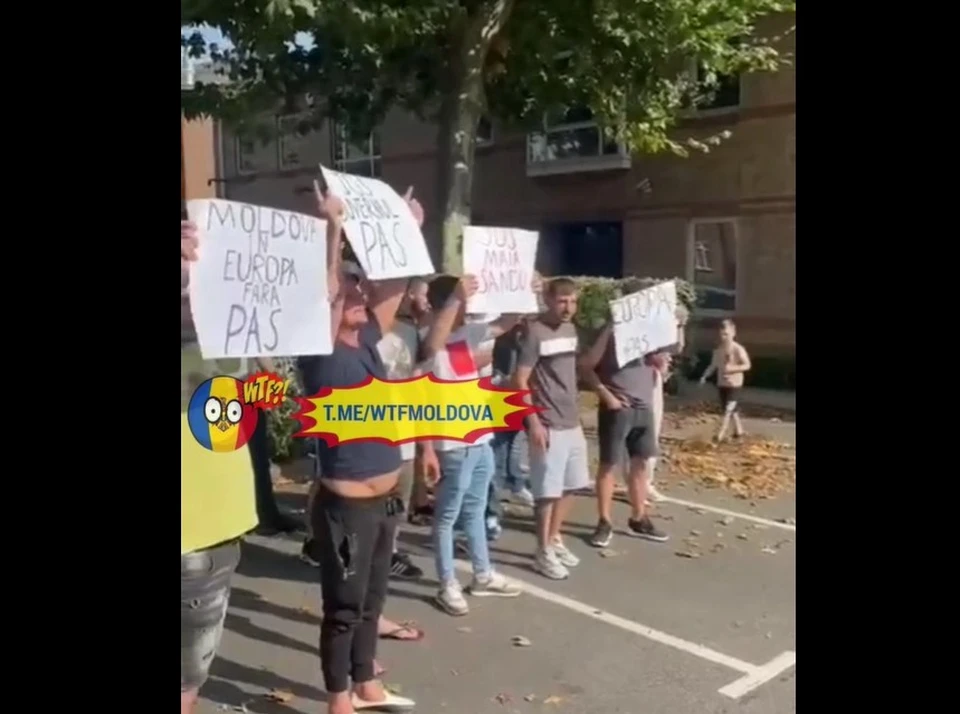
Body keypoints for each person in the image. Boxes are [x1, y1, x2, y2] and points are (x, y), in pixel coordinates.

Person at [298, 183, 419, 714]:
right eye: (349, 290)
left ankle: (368, 685)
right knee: (344, 607)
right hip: (346, 507)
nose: (359, 294)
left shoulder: (368, 337)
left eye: (358, 289)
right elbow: (325, 291)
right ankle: (338, 699)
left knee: (372, 601)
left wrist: (406, 228)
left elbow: (392, 284)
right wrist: (332, 231)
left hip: (387, 496)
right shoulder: (317, 350)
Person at [181, 220, 259, 714]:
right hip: (197, 538)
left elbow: (311, 319)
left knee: (189, 682)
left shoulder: (234, 342)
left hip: (216, 535)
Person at [419, 276, 530, 615]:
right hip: (451, 445)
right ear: (446, 304)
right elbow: (432, 351)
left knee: (476, 510)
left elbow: (508, 322)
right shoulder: (428, 338)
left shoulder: (470, 334)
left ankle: (482, 575)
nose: (471, 308)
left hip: (480, 439)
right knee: (447, 516)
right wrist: (426, 449)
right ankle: (447, 583)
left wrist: (526, 290)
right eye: (464, 302)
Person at [514, 278, 590, 580]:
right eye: (562, 301)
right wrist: (533, 421)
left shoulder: (572, 330)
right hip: (547, 423)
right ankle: (542, 550)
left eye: (572, 302)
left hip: (572, 421)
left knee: (573, 484)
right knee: (547, 491)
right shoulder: (535, 333)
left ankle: (555, 538)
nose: (567, 308)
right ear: (548, 300)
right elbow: (519, 380)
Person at [578, 324, 670, 548]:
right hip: (618, 408)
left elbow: (658, 370)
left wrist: (662, 366)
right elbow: (586, 366)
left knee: (640, 464)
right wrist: (606, 395)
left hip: (644, 407)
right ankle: (604, 521)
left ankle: (639, 518)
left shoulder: (649, 333)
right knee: (609, 464)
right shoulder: (610, 331)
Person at [247, 355, 302, 535]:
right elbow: (257, 348)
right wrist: (273, 374)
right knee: (256, 456)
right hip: (243, 385)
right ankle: (265, 517)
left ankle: (252, 516)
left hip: (208, 386)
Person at [491, 321, 535, 508]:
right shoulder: (501, 341)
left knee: (515, 443)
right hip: (500, 396)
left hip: (521, 396)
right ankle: (495, 492)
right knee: (499, 446)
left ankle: (515, 483)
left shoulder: (528, 340)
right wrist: (502, 380)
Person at [699, 318, 752, 442]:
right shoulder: (718, 350)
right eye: (722, 334)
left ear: (733, 333)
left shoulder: (738, 349)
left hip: (735, 384)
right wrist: (704, 376)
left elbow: (747, 365)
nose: (724, 337)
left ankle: (720, 434)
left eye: (726, 334)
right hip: (722, 384)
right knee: (730, 409)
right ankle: (739, 431)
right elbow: (713, 365)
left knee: (728, 409)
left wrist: (733, 368)